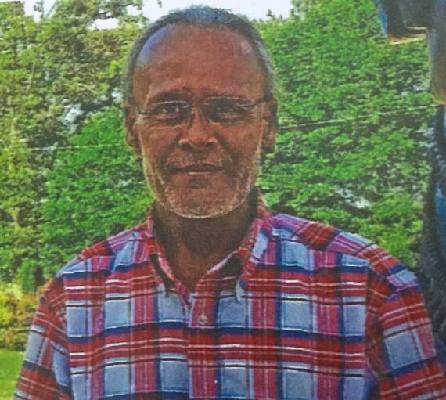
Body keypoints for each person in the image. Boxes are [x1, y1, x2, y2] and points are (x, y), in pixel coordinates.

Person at [15, 6, 446, 399]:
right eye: (169, 109)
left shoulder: (372, 290)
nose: (197, 136)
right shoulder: (73, 299)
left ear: (268, 125)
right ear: (132, 126)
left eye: (226, 109)